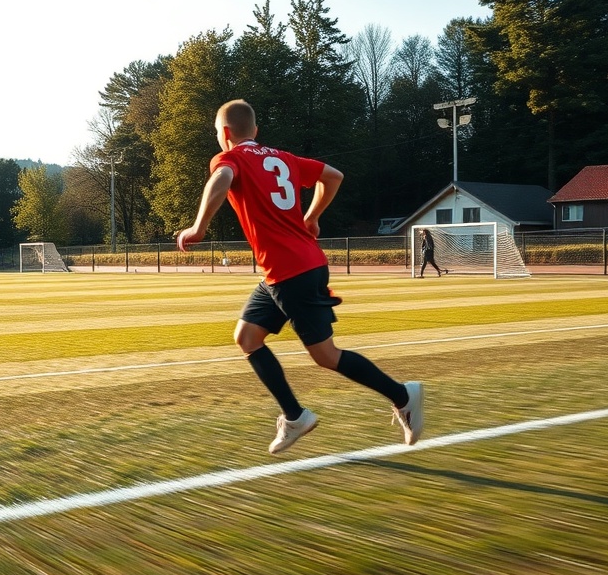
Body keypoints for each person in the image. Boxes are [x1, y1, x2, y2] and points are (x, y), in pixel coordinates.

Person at [176, 99, 423, 455]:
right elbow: (333, 176)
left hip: (293, 272)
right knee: (247, 337)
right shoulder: (284, 158)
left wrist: (199, 227)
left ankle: (403, 396)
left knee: (326, 356)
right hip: (285, 272)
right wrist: (312, 216)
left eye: (217, 132)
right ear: (255, 130)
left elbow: (222, 178)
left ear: (225, 133)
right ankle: (295, 416)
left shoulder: (229, 158)